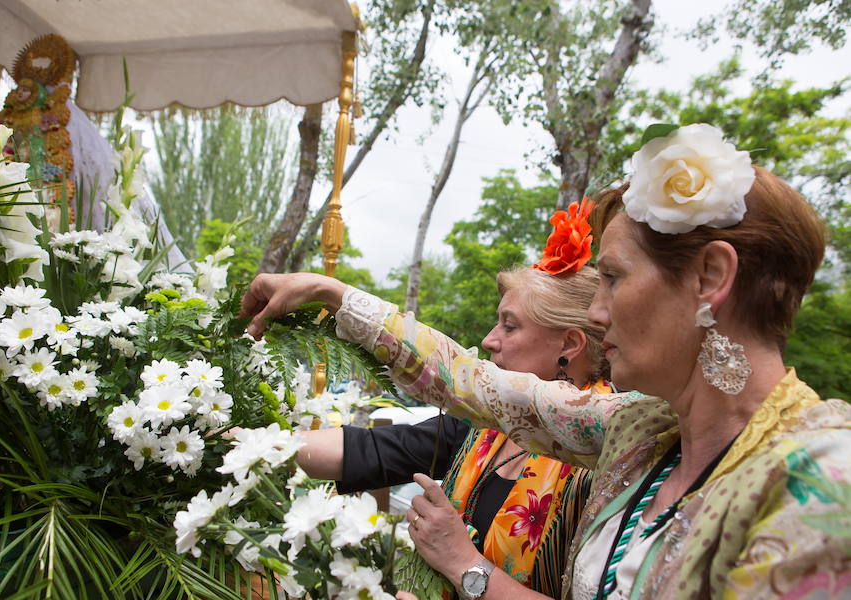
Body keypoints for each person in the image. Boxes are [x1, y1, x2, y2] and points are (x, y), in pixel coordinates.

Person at [242, 123, 851, 599]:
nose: (598, 311)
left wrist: (468, 572)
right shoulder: (638, 430)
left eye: (612, 278)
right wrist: (331, 293)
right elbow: (473, 385)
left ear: (710, 277)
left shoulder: (820, 479)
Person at [297, 201, 611, 598]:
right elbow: (375, 449)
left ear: (569, 344)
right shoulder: (485, 427)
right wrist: (254, 446)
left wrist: (461, 561)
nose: (489, 340)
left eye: (509, 326)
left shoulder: (608, 454)